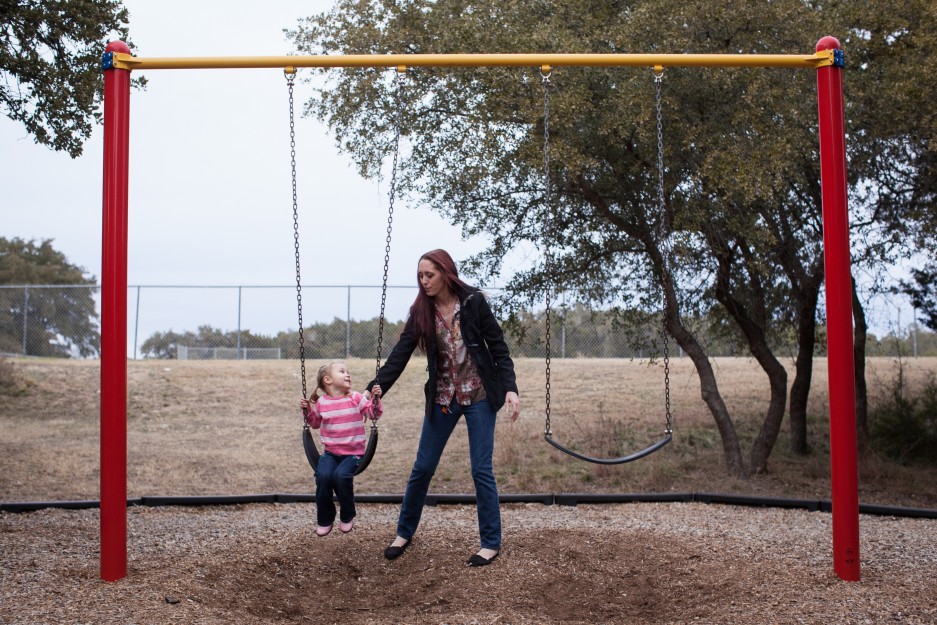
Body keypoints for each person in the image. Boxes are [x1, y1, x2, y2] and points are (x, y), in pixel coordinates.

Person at [368, 249, 520, 567]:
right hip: (443, 399)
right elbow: (400, 353)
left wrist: (510, 389)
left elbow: (499, 348)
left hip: (478, 396)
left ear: (446, 272)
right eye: (420, 276)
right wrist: (375, 388)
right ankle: (403, 533)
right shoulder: (422, 312)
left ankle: (490, 542)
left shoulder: (473, 302)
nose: (424, 282)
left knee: (481, 470)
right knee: (422, 468)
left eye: (429, 275)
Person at [301, 361, 382, 537]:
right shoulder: (322, 402)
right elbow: (315, 423)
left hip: (353, 454)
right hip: (330, 453)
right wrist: (307, 410)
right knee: (323, 477)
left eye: (348, 371)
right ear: (328, 379)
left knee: (341, 476)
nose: (347, 374)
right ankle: (325, 518)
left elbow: (373, 414)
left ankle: (347, 515)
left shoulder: (356, 398)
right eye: (342, 371)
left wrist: (375, 399)